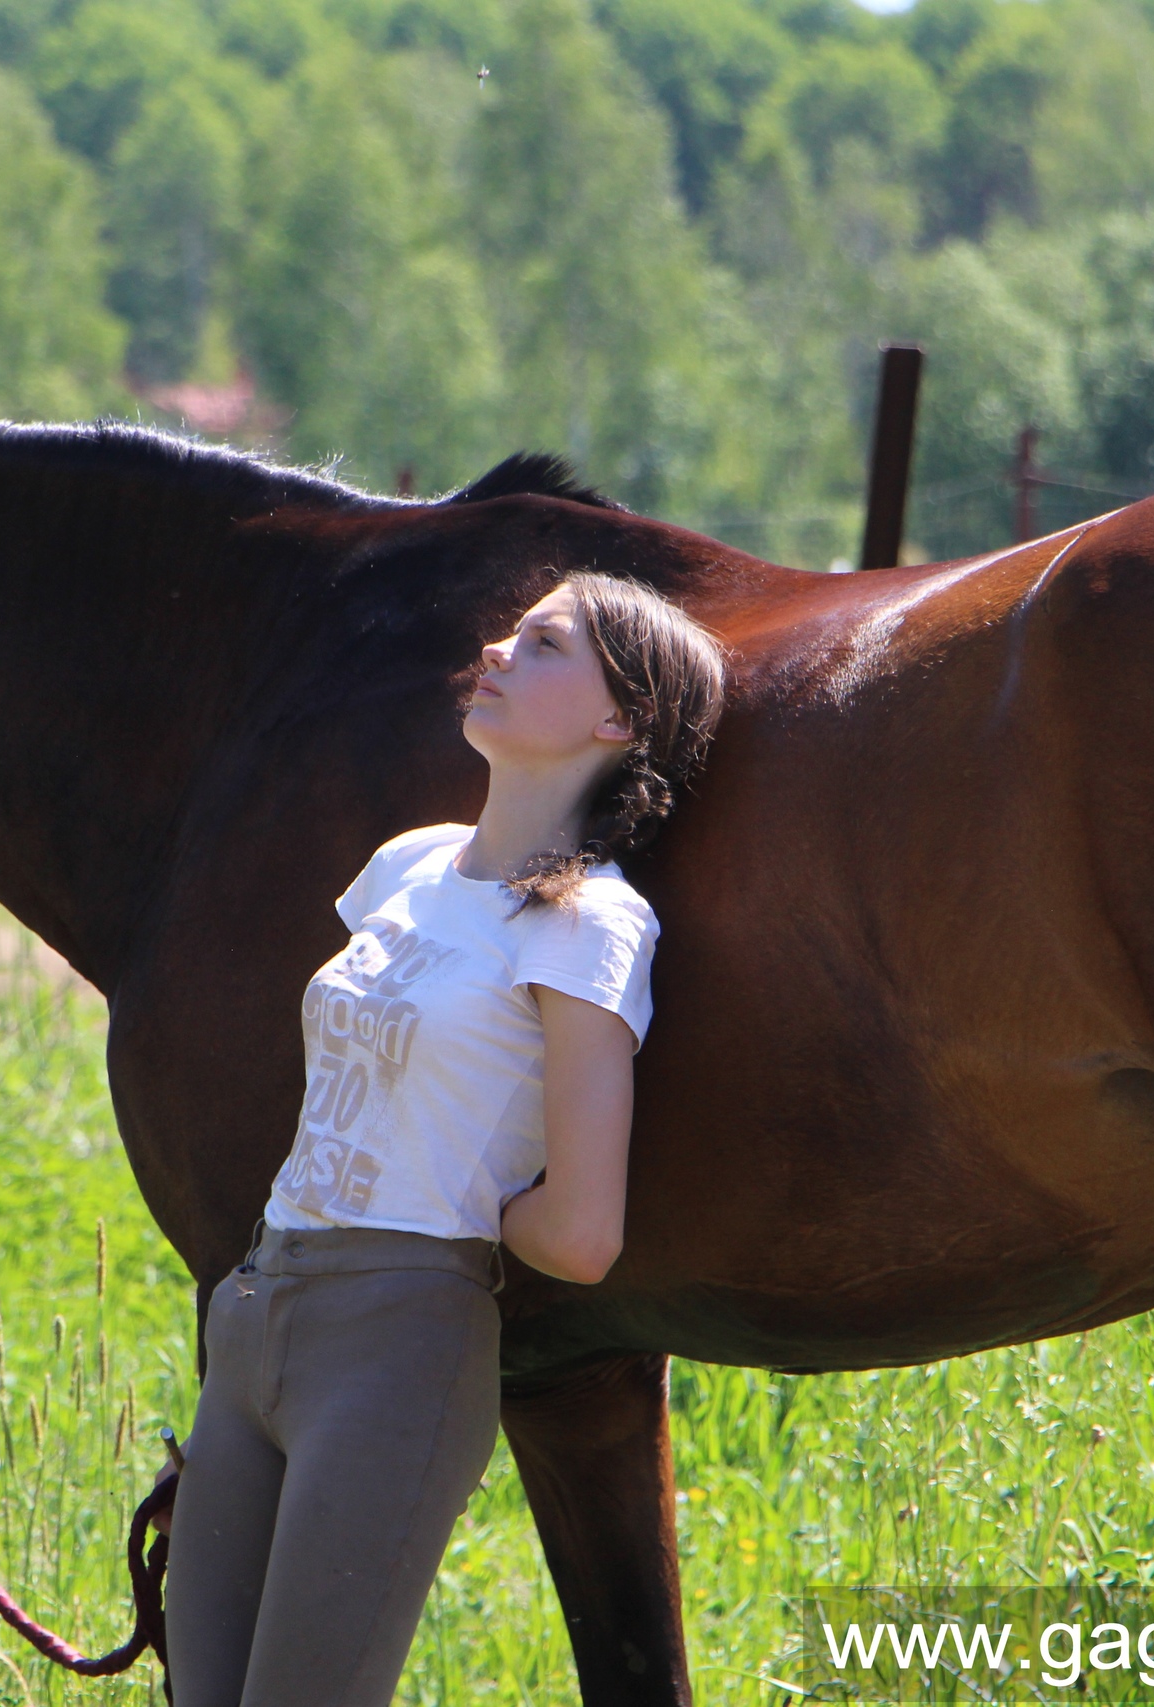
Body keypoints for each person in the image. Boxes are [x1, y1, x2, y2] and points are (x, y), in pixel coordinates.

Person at [162, 571, 728, 1707]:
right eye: (512, 631)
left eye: (547, 642)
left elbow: (580, 1232)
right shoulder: (407, 867)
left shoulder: (590, 922)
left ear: (618, 721)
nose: (500, 648)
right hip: (255, 1313)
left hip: (397, 1345)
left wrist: (453, 1213)